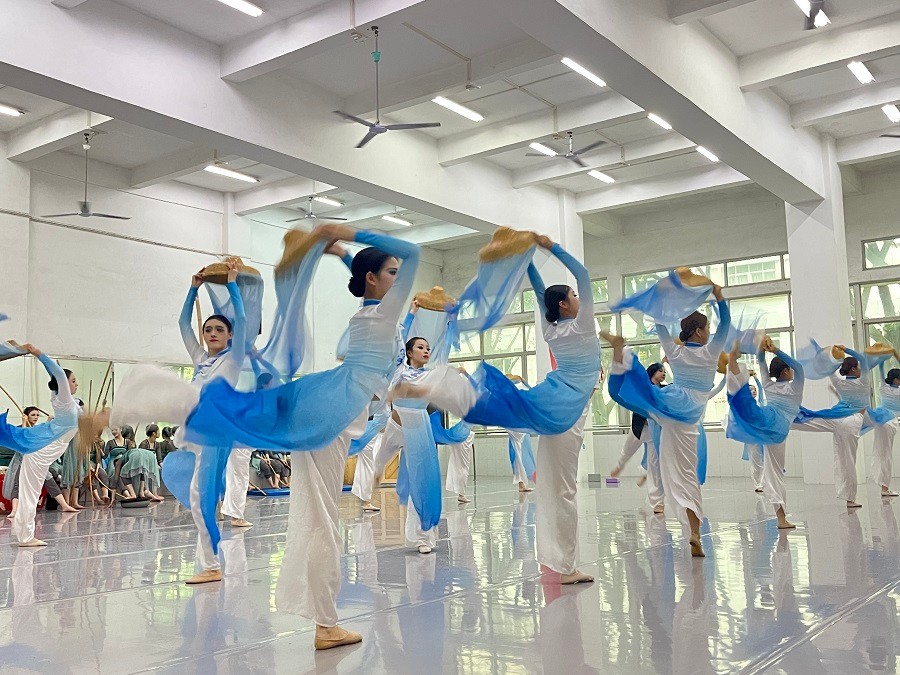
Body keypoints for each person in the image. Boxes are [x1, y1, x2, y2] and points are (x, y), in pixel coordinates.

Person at [179, 224, 421, 650]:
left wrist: (342, 252)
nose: (400, 280)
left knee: (315, 514)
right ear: (374, 279)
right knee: (322, 517)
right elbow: (412, 251)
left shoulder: (372, 312)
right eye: (392, 273)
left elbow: (373, 274)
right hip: (333, 411)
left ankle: (321, 617)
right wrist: (345, 233)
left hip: (328, 405)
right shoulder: (382, 314)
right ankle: (326, 624)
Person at [399, 235, 601, 583]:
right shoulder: (582, 325)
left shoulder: (551, 329)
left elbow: (540, 290)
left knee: (552, 484)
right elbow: (581, 274)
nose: (579, 297)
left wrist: (528, 254)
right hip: (567, 408)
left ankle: (555, 560)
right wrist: (549, 247)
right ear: (565, 306)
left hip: (550, 397)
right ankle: (564, 566)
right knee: (563, 488)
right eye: (574, 296)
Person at [604, 280, 729, 557]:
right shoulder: (711, 351)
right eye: (707, 328)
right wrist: (719, 296)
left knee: (644, 396)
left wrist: (658, 301)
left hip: (668, 408)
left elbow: (660, 325)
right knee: (687, 474)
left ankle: (624, 358)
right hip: (689, 415)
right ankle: (694, 531)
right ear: (699, 331)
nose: (710, 332)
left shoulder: (675, 352)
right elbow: (726, 324)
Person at [177, 258, 247, 583]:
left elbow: (242, 320)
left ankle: (211, 565)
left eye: (220, 329)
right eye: (208, 330)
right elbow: (183, 324)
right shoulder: (201, 359)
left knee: (201, 495)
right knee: (200, 494)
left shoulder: (233, 359)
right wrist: (193, 290)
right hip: (199, 431)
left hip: (217, 431)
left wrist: (232, 284)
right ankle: (210, 562)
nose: (212, 333)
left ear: (231, 335)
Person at [726, 338, 804, 529]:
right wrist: (774, 349)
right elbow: (798, 366)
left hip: (765, 421)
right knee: (775, 472)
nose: (793, 371)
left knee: (773, 471)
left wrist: (761, 348)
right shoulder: (795, 388)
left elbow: (762, 362)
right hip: (777, 429)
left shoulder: (768, 385)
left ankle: (734, 371)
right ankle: (781, 518)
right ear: (785, 371)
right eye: (789, 369)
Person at [9, 345, 81, 546]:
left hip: (46, 450)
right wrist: (36, 352)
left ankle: (25, 535)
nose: (76, 384)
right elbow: (58, 373)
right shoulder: (64, 401)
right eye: (73, 381)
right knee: (30, 493)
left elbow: (56, 373)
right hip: (42, 450)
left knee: (30, 492)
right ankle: (25, 537)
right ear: (64, 383)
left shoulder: (67, 400)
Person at [792, 347, 872, 508]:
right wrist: (845, 349)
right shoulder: (863, 382)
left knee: (808, 421)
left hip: (835, 417)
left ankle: (782, 420)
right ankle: (850, 499)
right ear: (854, 369)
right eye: (858, 367)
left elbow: (830, 371)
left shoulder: (839, 383)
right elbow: (863, 359)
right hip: (851, 422)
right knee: (847, 461)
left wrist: (830, 358)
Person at [610, 362, 666, 514]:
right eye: (660, 371)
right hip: (639, 428)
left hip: (654, 432)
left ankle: (658, 502)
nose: (663, 374)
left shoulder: (664, 390)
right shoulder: (642, 387)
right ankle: (620, 466)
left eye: (664, 372)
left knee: (655, 467)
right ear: (652, 372)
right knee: (627, 452)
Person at [875, 366, 900, 498]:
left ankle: (884, 486)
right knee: (887, 455)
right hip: (889, 424)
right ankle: (885, 488)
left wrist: (880, 360)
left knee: (882, 453)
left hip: (880, 422)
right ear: (895, 380)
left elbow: (880, 371)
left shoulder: (883, 388)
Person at [122, 424, 164, 501]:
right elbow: (139, 456)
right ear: (154, 433)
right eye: (158, 431)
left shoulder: (157, 444)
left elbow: (159, 459)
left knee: (158, 468)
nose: (159, 433)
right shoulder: (144, 443)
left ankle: (155, 493)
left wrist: (163, 467)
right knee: (144, 469)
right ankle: (145, 491)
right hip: (143, 463)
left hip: (151, 463)